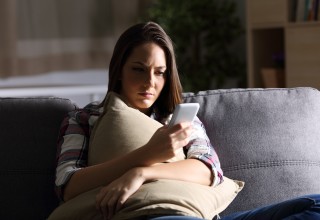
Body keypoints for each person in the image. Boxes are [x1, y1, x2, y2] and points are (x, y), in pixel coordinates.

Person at [54, 22, 320, 220]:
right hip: (152, 215)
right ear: (119, 71)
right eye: (138, 69)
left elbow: (209, 171)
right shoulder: (84, 119)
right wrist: (147, 153)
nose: (150, 82)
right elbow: (68, 184)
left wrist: (142, 172)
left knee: (315, 204)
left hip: (196, 212)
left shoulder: (176, 118)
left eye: (160, 73)